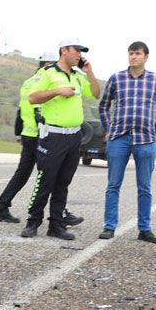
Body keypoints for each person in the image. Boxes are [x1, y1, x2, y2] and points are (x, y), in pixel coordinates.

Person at [21, 38, 101, 240]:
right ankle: (33, 222)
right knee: (45, 181)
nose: (79, 55)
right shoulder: (48, 73)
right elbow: (32, 98)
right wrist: (57, 90)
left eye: (81, 52)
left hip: (74, 137)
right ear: (64, 50)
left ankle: (56, 225)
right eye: (77, 50)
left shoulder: (78, 76)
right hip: (53, 136)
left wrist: (89, 71)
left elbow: (96, 94)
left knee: (63, 183)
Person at [0, 52, 83, 228]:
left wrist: (19, 133)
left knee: (24, 173)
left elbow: (21, 111)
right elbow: (38, 109)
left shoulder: (29, 82)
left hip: (29, 134)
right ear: (48, 63)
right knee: (51, 178)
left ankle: (2, 206)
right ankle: (55, 215)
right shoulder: (46, 82)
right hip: (44, 135)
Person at [98, 41, 156, 243]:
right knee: (113, 184)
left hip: (145, 140)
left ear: (146, 56)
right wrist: (108, 128)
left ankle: (144, 229)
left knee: (144, 186)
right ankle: (109, 226)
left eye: (137, 53)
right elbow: (103, 105)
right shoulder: (116, 78)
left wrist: (155, 129)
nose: (133, 57)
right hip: (119, 138)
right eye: (130, 53)